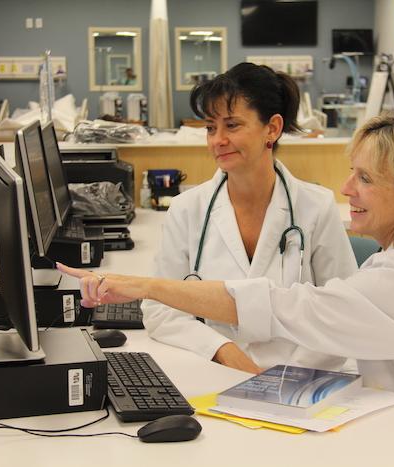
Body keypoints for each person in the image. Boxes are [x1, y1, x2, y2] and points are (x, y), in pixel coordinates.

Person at [59, 112, 394, 401]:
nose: (346, 187)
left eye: (365, 179)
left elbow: (283, 306)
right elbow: (336, 325)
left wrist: (146, 286)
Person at [139, 62, 357, 374]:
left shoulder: (315, 207)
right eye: (211, 128)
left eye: (232, 126)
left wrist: (288, 375)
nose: (217, 140)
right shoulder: (187, 209)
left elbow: (343, 312)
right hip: (215, 374)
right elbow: (161, 309)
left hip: (304, 377)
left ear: (273, 128)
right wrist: (222, 350)